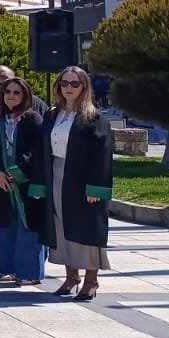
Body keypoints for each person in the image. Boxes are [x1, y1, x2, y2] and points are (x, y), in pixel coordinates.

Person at [44, 66, 113, 301]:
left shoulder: (94, 117)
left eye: (75, 84)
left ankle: (91, 281)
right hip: (57, 173)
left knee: (87, 228)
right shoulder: (54, 115)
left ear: (84, 87)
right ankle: (71, 277)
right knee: (62, 226)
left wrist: (96, 186)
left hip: (84, 178)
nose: (69, 88)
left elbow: (102, 154)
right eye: (64, 83)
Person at [0, 76, 46, 287]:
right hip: (2, 183)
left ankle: (29, 273)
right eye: (8, 92)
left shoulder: (33, 120)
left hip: (26, 183)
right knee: (4, 227)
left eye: (16, 92)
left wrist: (17, 171)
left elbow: (37, 150)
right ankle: (7, 268)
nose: (11, 96)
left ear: (25, 96)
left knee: (28, 228)